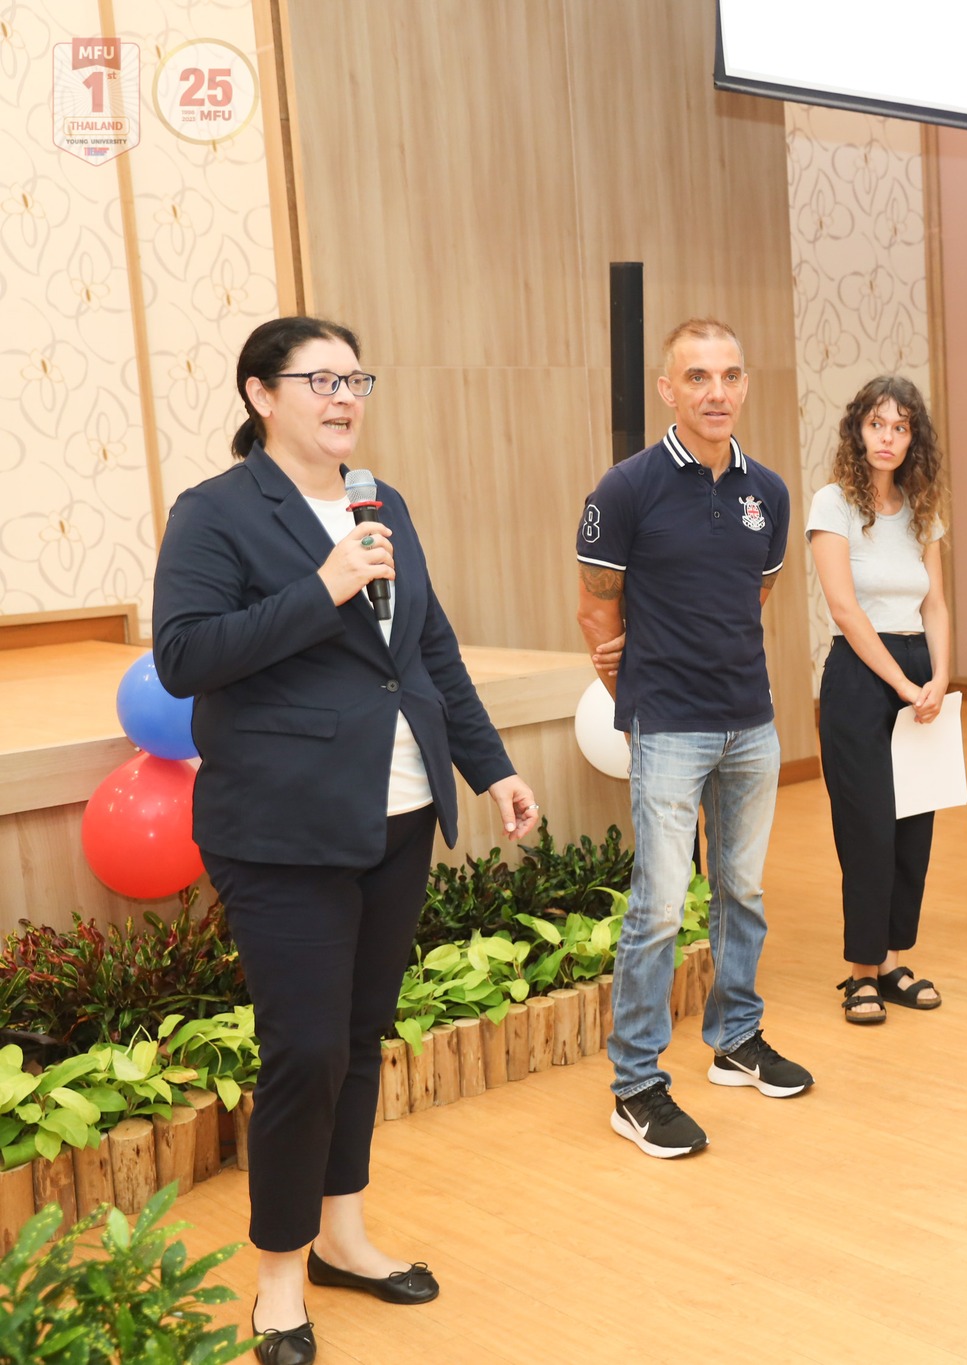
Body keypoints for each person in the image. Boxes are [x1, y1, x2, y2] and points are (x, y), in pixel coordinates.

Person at [153, 316, 540, 1365]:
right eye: (318, 379)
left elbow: (428, 649)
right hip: (283, 826)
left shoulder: (382, 502)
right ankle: (278, 1281)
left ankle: (341, 1236)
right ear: (259, 394)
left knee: (360, 1037)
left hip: (397, 813)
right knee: (306, 1051)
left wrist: (491, 766)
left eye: (354, 379)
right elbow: (185, 657)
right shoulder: (217, 513)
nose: (343, 397)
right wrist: (320, 588)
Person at [576, 318, 813, 1164]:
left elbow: (754, 596)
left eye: (730, 375)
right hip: (669, 725)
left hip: (751, 721)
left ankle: (736, 1038)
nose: (717, 391)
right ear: (668, 389)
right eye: (698, 376)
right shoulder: (626, 488)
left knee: (743, 888)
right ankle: (635, 1083)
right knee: (661, 905)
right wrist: (638, 697)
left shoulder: (768, 492)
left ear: (744, 385)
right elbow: (596, 610)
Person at [807, 375, 951, 1024]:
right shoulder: (833, 504)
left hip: (920, 672)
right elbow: (845, 608)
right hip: (861, 677)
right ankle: (861, 971)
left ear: (913, 437)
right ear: (857, 429)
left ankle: (893, 961)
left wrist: (940, 676)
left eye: (900, 427)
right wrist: (903, 684)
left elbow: (936, 602)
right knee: (866, 828)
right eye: (876, 424)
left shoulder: (922, 507)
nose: (887, 438)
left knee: (912, 827)